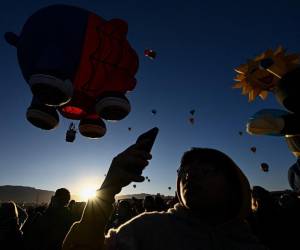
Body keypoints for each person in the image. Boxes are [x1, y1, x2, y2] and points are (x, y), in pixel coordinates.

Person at [63, 140, 266, 250]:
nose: (191, 177)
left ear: (234, 184)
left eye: (205, 171)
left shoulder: (249, 243)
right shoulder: (147, 229)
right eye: (185, 173)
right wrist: (108, 189)